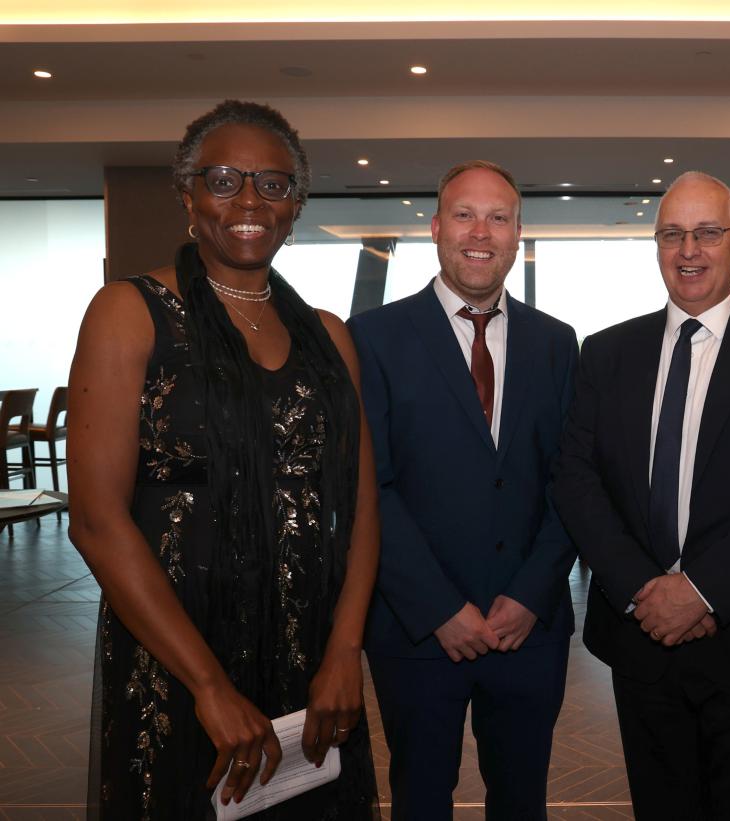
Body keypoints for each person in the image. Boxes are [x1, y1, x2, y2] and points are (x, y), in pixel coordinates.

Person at [67, 99, 380, 820]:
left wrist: (346, 650)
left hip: (312, 665)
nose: (248, 201)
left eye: (273, 184)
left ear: (296, 205)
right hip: (176, 659)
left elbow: (360, 504)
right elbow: (95, 519)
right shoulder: (129, 311)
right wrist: (208, 684)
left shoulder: (330, 337)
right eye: (224, 179)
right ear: (188, 193)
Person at [553, 171, 730, 819]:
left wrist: (702, 590)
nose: (690, 250)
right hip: (640, 638)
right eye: (673, 234)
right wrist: (643, 591)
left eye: (708, 232)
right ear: (656, 246)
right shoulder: (605, 353)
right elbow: (575, 479)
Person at [347, 160, 578, 820]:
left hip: (528, 630)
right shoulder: (374, 338)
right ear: (436, 227)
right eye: (465, 214)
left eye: (499, 217)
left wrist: (530, 597)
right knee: (420, 798)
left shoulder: (556, 343)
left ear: (518, 233)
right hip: (416, 630)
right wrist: (440, 607)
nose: (482, 232)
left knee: (521, 799)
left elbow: (573, 483)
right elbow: (371, 485)